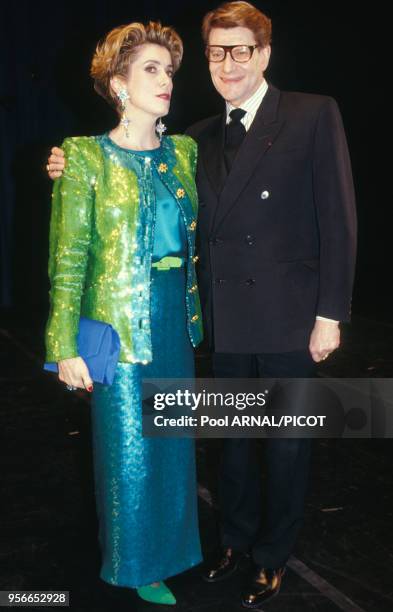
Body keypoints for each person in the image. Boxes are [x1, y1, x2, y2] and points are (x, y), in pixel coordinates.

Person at [46, 2, 357, 608]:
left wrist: (332, 313)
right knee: (232, 446)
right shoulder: (194, 140)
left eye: (241, 49)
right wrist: (67, 164)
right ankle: (235, 544)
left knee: (286, 448)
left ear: (263, 54)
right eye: (216, 51)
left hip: (291, 321)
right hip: (219, 325)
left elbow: (340, 222)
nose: (227, 62)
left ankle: (272, 557)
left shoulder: (312, 115)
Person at [44, 21, 203, 606]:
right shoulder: (85, 157)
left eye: (169, 71)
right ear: (118, 83)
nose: (166, 82)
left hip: (173, 320)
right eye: (151, 70)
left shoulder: (182, 152)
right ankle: (136, 566)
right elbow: (69, 258)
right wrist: (64, 345)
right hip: (114, 321)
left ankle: (176, 552)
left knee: (173, 441)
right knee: (129, 450)